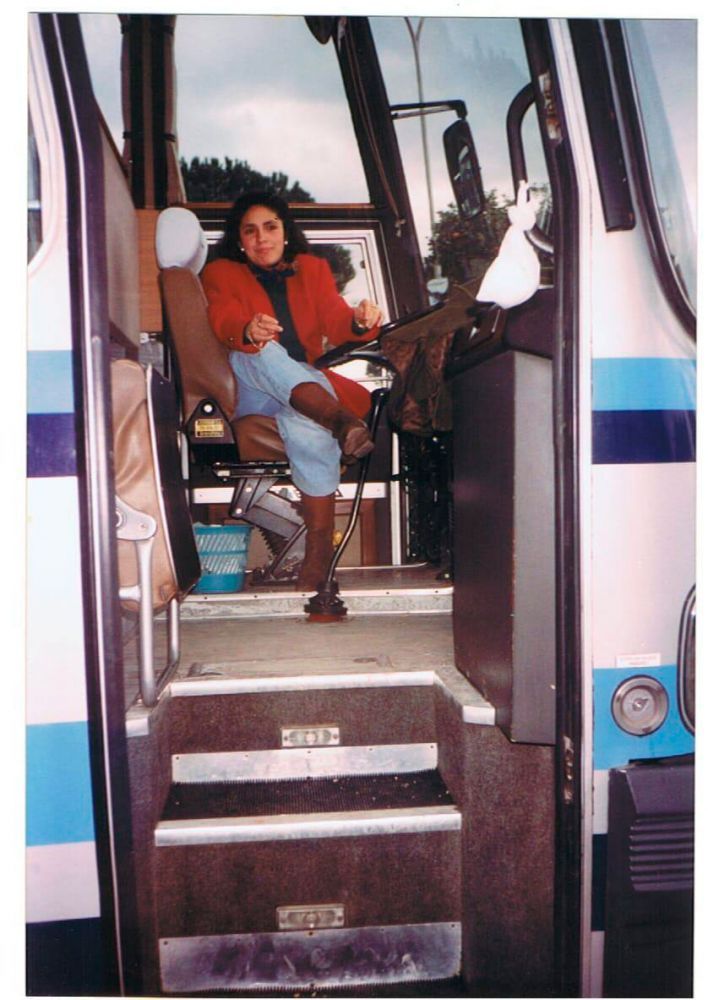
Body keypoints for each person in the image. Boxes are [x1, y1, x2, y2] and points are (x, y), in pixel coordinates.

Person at [202, 191, 382, 591]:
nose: (261, 238)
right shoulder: (220, 273)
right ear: (239, 240)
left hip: (304, 386)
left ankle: (318, 553)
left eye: (270, 227)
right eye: (250, 231)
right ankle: (340, 420)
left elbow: (336, 319)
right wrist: (247, 329)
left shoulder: (313, 270)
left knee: (307, 421)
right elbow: (222, 315)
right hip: (252, 378)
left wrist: (358, 321)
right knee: (263, 351)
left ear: (285, 233)